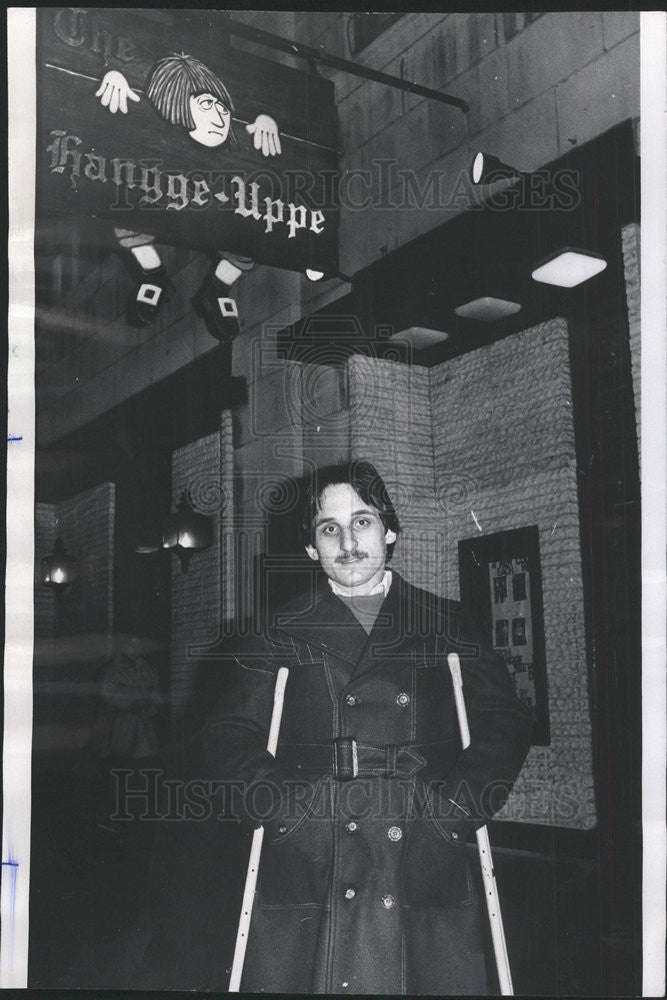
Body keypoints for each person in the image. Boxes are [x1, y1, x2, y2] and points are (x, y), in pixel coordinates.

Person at [201, 460, 532, 994]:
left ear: (390, 531)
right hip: (314, 843)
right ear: (311, 548)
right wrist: (282, 811)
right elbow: (227, 735)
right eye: (328, 528)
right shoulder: (274, 633)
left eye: (363, 521)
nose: (347, 541)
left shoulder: (446, 623)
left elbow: (505, 723)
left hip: (423, 839)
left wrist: (455, 814)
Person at [95, 53, 281, 336]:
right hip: (164, 194)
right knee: (128, 218)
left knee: (247, 238)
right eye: (207, 104)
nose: (220, 116)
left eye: (223, 107)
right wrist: (112, 73)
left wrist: (267, 116)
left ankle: (218, 288)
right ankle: (154, 274)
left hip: (218, 205)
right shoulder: (156, 135)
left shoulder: (235, 152)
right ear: (177, 107)